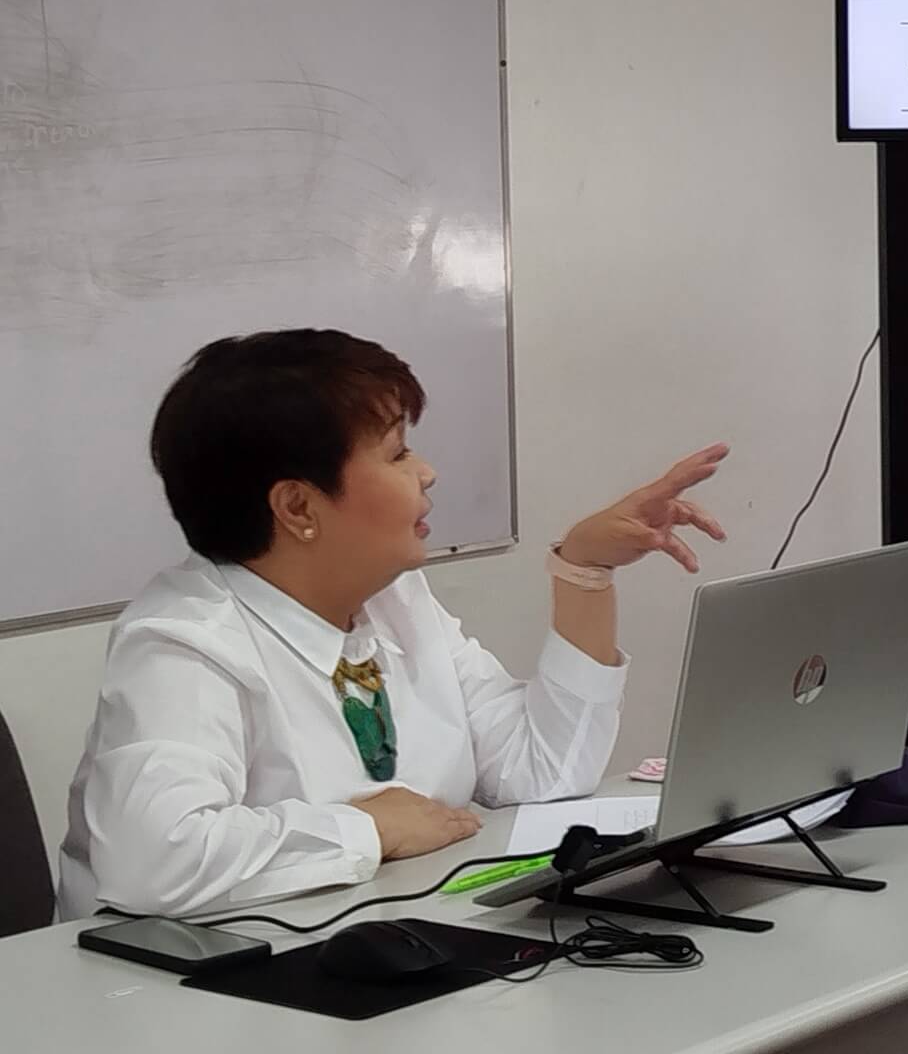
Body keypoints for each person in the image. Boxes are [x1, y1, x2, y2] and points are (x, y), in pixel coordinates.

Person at [58, 329, 728, 919]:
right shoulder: (184, 642)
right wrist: (368, 830)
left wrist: (584, 570)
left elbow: (542, 771)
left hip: (386, 943)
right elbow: (154, 861)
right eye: (398, 454)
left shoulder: (396, 601)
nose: (427, 472)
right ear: (297, 506)